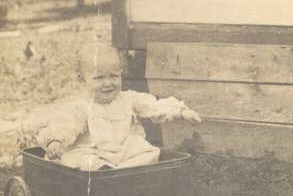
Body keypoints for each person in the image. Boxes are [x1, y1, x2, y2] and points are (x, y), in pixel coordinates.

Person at [38, 43, 201, 171]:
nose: (108, 83)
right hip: (92, 152)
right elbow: (64, 125)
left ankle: (122, 175)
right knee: (79, 160)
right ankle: (105, 173)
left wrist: (181, 111)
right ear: (82, 80)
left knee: (150, 152)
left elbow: (154, 107)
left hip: (123, 153)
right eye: (99, 78)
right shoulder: (80, 107)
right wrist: (54, 141)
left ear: (120, 74)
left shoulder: (128, 99)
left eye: (114, 76)